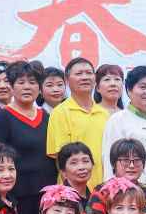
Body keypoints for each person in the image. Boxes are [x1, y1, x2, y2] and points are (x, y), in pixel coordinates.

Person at [0, 60, 57, 214]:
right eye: (21, 82)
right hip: (18, 194)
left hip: (47, 193)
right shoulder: (4, 116)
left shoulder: (46, 116)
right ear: (12, 87)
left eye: (32, 82)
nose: (27, 87)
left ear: (39, 87)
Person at [102, 66, 146, 188]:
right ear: (129, 90)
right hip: (132, 193)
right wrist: (112, 191)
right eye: (143, 87)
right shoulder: (117, 121)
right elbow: (109, 162)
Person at [46, 57, 109, 186]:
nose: (85, 77)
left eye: (89, 73)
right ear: (67, 80)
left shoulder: (104, 114)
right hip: (75, 189)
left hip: (104, 187)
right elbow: (61, 158)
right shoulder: (60, 113)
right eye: (79, 74)